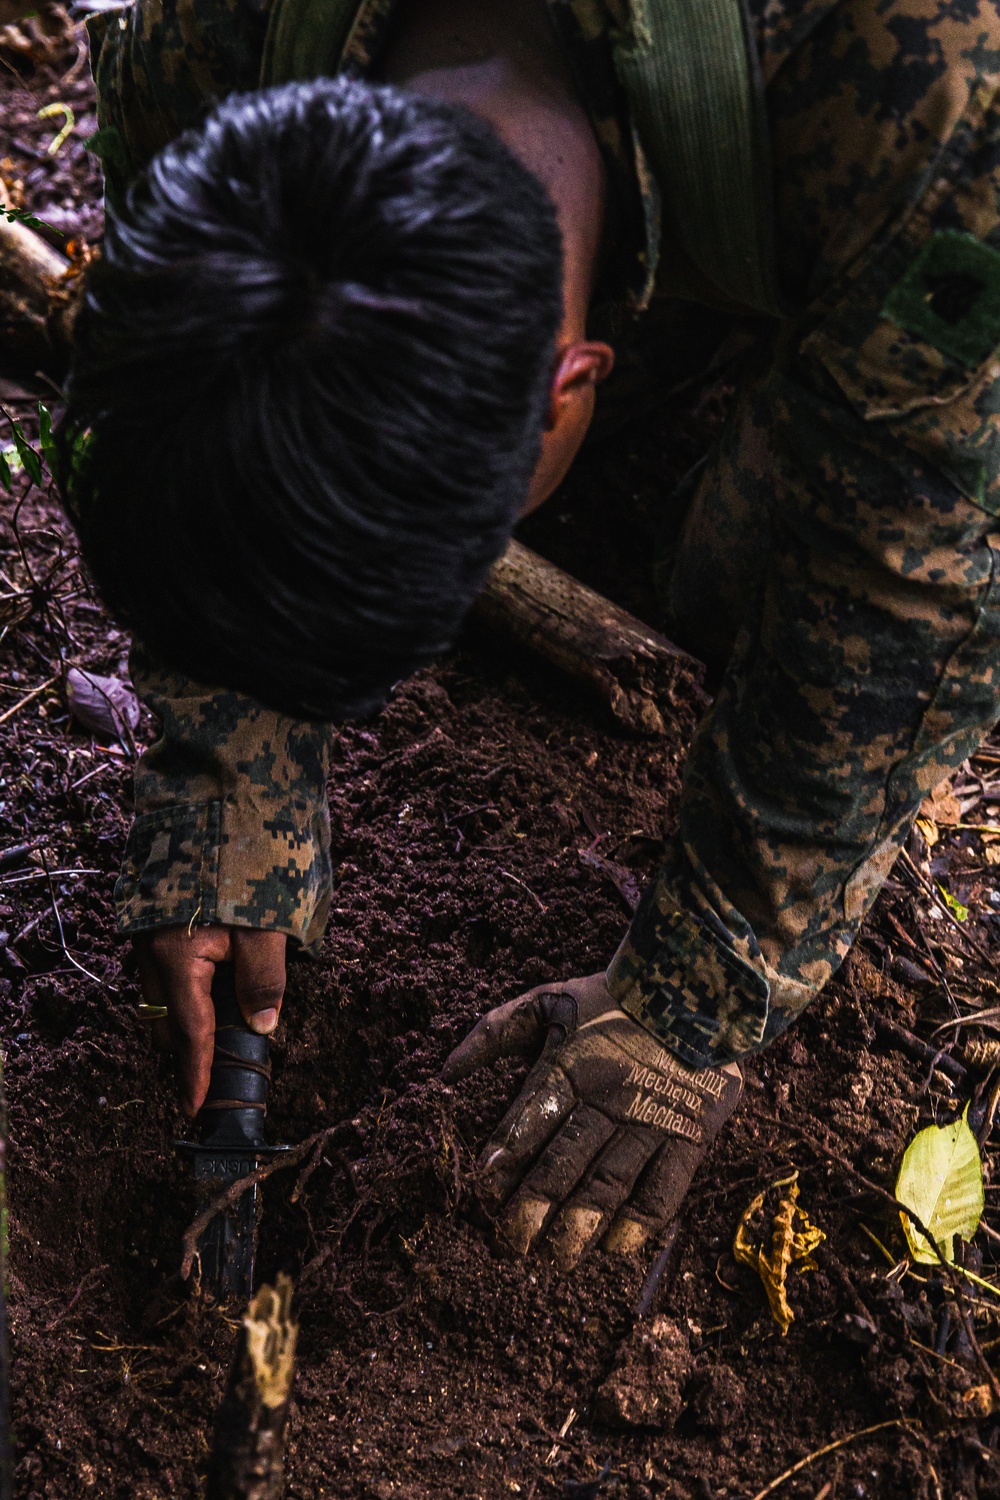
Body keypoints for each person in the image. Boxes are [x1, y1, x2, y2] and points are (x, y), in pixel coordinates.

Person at [53, 0, 1000, 1269]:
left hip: (896, 205)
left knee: (727, 574)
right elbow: (206, 418)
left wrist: (692, 1002)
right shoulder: (198, 44)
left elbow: (913, 582)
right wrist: (235, 774)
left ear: (577, 385)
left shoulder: (939, 104)